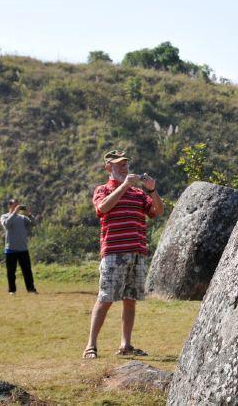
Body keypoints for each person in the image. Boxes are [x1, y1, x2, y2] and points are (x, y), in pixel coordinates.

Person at [83, 150, 164, 359]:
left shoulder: (138, 194)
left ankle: (125, 345)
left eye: (125, 164)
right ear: (108, 168)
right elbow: (103, 207)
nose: (124, 168)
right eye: (119, 165)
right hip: (113, 253)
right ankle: (90, 346)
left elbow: (157, 211)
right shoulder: (103, 190)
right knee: (105, 298)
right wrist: (125, 186)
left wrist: (152, 189)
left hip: (137, 253)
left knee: (130, 299)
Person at [0, 199, 37, 295]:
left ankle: (31, 289)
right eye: (15, 205)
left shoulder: (23, 218)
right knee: (11, 272)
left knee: (27, 271)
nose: (17, 207)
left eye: (18, 205)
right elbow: (7, 225)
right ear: (10, 205)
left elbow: (34, 223)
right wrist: (14, 212)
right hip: (10, 249)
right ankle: (12, 290)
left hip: (23, 249)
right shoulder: (4, 216)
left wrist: (29, 214)